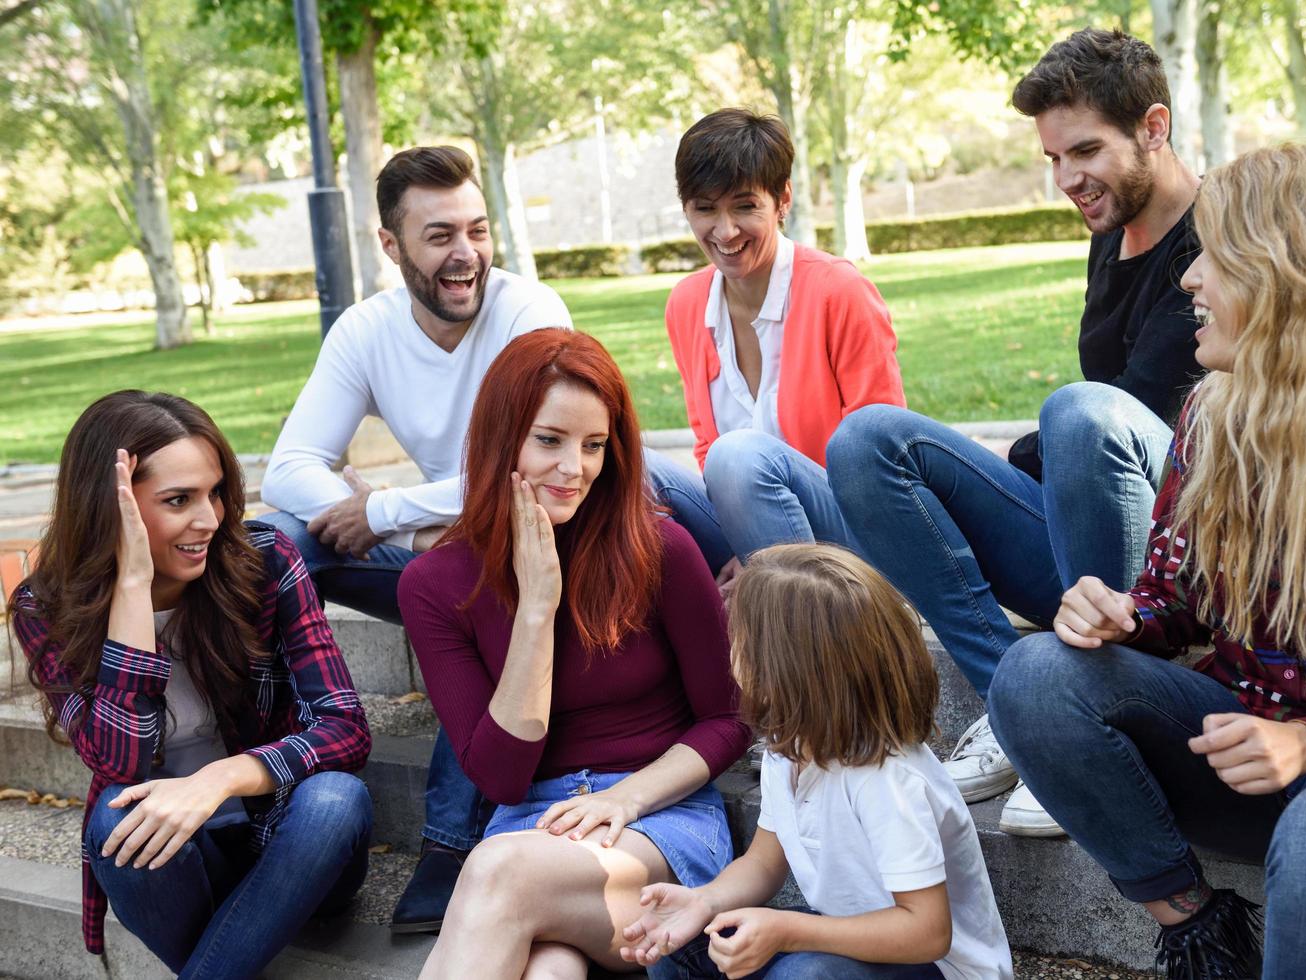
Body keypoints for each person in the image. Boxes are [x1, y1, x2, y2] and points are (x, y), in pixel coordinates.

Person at [990, 141, 1306, 979]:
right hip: (1251, 753)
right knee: (1036, 672)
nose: (1188, 279)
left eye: (1219, 256)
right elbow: (1176, 601)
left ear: (1300, 281)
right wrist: (1124, 616)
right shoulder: (1216, 420)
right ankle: (1201, 938)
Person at [826, 28, 1202, 835]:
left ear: (1154, 127)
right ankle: (1017, 705)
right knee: (867, 441)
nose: (1069, 179)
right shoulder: (1111, 234)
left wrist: (1044, 449)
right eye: (1053, 159)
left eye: (1086, 151)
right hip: (1089, 541)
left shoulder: (1215, 241)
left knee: (1077, 414)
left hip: (1184, 562)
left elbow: (1137, 409)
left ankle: (1082, 722)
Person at [256, 145, 573, 931]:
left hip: (529, 557)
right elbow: (288, 466)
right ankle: (263, 753)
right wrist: (370, 514)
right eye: (439, 236)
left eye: (476, 229)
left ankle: (450, 842)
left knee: (482, 572)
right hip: (432, 558)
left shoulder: (531, 314)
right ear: (391, 246)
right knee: (278, 539)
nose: (465, 253)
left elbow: (537, 473)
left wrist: (391, 511)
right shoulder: (366, 330)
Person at [398, 328, 750, 979]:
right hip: (532, 825)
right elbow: (502, 778)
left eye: (593, 446)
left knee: (497, 872)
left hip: (658, 824)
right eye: (549, 441)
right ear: (503, 438)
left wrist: (626, 799)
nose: (574, 469)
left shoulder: (660, 550)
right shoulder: (434, 585)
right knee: (546, 972)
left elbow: (728, 720)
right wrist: (536, 610)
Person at [9, 391, 372, 976]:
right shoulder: (44, 608)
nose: (210, 518)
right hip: (170, 862)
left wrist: (218, 780)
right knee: (113, 820)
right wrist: (132, 586)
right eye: (179, 500)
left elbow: (344, 729)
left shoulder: (265, 561)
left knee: (336, 800)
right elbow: (120, 767)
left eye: (215, 492)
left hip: (287, 839)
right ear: (110, 508)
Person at [620, 543, 1012, 980]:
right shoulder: (787, 750)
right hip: (845, 943)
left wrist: (788, 930)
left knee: (805, 975)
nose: (730, 647)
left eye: (740, 638)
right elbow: (764, 863)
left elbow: (927, 931)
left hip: (935, 966)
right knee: (683, 941)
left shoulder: (886, 779)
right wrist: (704, 901)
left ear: (785, 668)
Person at [653, 108, 906, 583]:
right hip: (746, 514)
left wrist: (756, 558)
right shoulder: (687, 304)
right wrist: (745, 542)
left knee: (740, 456)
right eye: (705, 208)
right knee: (640, 472)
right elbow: (707, 447)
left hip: (854, 536)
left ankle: (798, 617)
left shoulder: (838, 291)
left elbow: (883, 462)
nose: (725, 232)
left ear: (782, 198)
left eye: (744, 206)